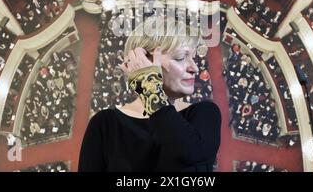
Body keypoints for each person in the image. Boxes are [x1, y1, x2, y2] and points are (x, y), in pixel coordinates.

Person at [79, 16, 221, 171]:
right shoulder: (104, 123)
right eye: (180, 58)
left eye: (193, 58)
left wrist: (150, 89)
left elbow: (193, 154)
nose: (195, 68)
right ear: (143, 61)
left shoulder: (205, 113)